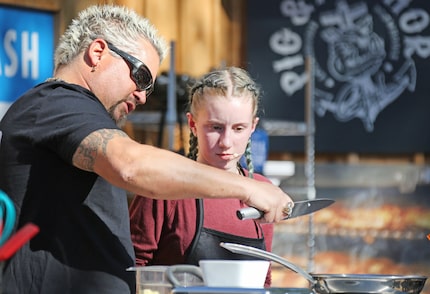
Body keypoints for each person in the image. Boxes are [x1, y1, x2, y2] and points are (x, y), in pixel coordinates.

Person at [0, 4, 294, 294]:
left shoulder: (74, 113)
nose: (142, 96)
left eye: (149, 87)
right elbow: (131, 166)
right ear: (97, 52)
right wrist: (246, 188)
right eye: (140, 77)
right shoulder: (55, 103)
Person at [129, 67, 276, 287]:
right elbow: (133, 269)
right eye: (215, 127)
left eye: (238, 128)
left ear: (252, 127)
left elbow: (263, 280)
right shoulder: (166, 187)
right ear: (192, 124)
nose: (226, 141)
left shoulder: (263, 193)